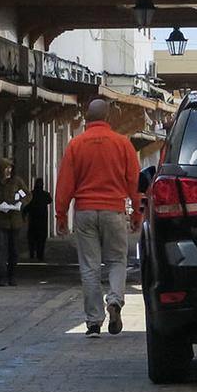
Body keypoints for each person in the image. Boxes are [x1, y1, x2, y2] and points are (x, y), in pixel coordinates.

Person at [53, 98, 140, 336]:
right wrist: (137, 211)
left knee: (90, 266)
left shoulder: (76, 145)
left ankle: (93, 322)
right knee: (116, 261)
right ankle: (114, 301)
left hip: (85, 211)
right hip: (114, 210)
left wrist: (61, 214)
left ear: (88, 117)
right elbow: (134, 181)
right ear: (108, 118)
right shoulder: (122, 144)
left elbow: (65, 183)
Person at [0, 157, 29, 286]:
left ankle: (12, 276)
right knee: (1, 249)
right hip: (1, 221)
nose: (8, 170)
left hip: (15, 221)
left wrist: (20, 204)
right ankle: (1, 277)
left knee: (14, 250)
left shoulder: (17, 182)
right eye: (6, 168)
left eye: (10, 168)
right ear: (0, 169)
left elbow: (26, 195)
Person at [24, 176, 52, 262]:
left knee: (32, 238)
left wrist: (24, 214)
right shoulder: (45, 195)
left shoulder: (31, 194)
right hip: (42, 220)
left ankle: (32, 253)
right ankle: (40, 255)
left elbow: (27, 206)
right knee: (41, 238)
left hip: (33, 219)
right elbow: (50, 200)